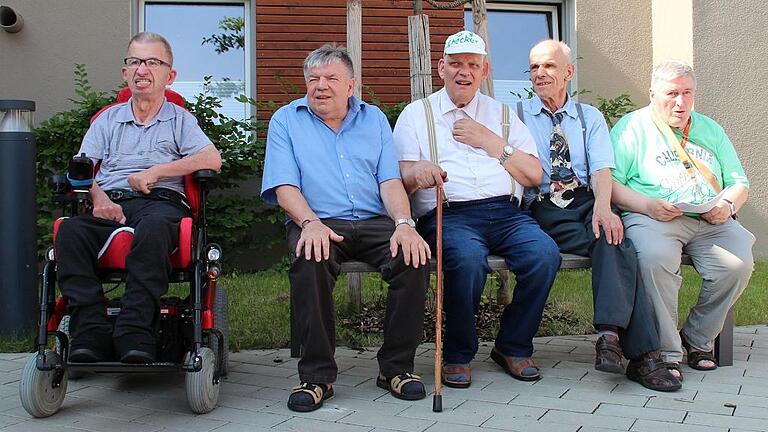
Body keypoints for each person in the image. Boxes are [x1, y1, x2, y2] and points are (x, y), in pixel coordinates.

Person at [261, 44, 431, 412]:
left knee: (414, 257)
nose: (320, 86)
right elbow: (283, 185)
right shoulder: (286, 120)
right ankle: (317, 376)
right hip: (317, 220)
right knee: (310, 258)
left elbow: (389, 181)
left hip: (373, 221)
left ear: (351, 86)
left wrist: (404, 224)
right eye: (313, 79)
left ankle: (396, 369)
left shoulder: (374, 120)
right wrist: (310, 223)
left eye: (330, 78)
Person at [393, 30, 561, 387]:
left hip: (506, 213)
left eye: (472, 65)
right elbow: (400, 177)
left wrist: (490, 141)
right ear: (441, 68)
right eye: (455, 64)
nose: (463, 72)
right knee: (467, 261)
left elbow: (533, 174)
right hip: (449, 214)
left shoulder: (500, 115)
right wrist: (418, 173)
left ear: (484, 72)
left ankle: (512, 345)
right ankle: (457, 353)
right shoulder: (416, 114)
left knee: (545, 255)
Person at [519, 40, 680, 391]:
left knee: (615, 237)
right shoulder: (517, 116)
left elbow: (602, 167)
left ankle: (612, 338)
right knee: (619, 249)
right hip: (545, 202)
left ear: (568, 72)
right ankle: (639, 354)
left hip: (589, 198)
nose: (540, 74)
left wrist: (604, 208)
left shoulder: (588, 116)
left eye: (548, 66)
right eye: (534, 67)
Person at [55, 32, 222, 364]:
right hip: (111, 204)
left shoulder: (180, 120)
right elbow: (81, 172)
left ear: (169, 75)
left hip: (160, 203)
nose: (142, 69)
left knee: (155, 229)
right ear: (125, 72)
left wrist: (158, 171)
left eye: (152, 62)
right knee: (70, 232)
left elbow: (211, 159)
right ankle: (91, 332)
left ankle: (134, 331)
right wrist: (100, 199)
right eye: (134, 62)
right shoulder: (107, 119)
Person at [610, 60, 754, 377]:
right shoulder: (631, 128)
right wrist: (648, 206)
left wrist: (727, 206)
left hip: (710, 219)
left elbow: (739, 182)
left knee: (738, 263)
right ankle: (666, 351)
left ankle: (697, 338)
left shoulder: (710, 128)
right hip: (654, 217)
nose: (680, 102)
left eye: (687, 93)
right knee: (653, 258)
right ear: (652, 94)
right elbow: (612, 185)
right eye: (672, 93)